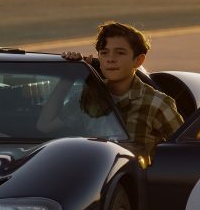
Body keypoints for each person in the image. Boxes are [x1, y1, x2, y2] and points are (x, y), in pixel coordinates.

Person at [37, 21, 183, 164]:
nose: (110, 59)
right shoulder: (89, 97)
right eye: (104, 53)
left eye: (120, 53)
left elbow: (183, 150)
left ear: (138, 61)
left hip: (136, 183)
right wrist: (70, 74)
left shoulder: (156, 103)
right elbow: (45, 125)